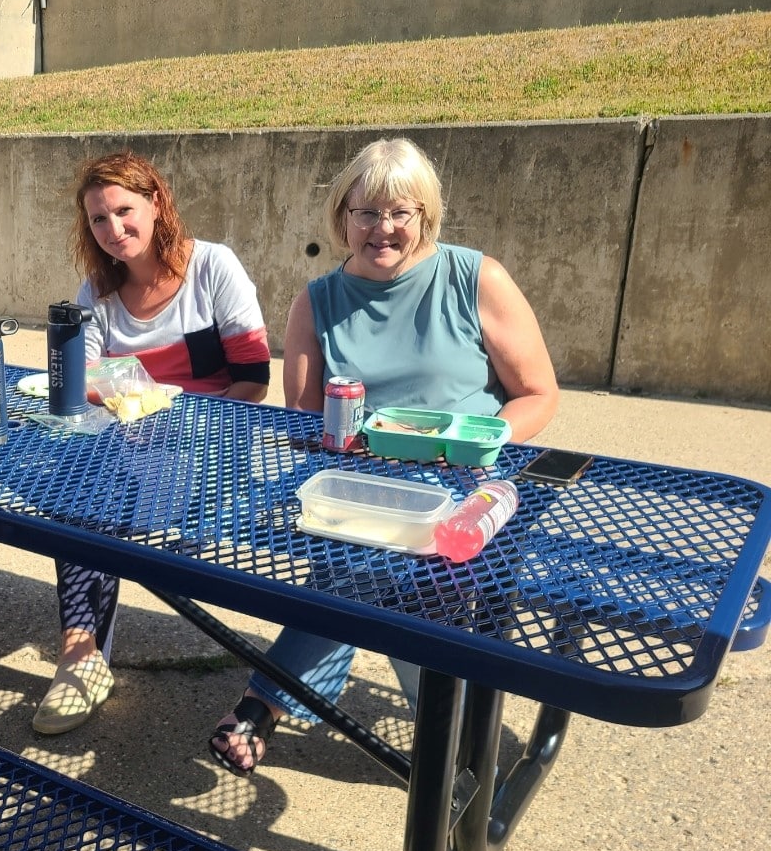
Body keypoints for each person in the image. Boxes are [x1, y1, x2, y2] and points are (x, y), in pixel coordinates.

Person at [207, 136, 559, 777]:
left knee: (383, 571)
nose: (383, 228)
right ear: (342, 217)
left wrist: (478, 443)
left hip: (468, 483)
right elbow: (304, 423)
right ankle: (443, 731)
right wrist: (347, 448)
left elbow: (538, 394)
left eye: (402, 212)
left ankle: (268, 699)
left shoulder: (476, 277)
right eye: (366, 212)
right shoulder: (316, 301)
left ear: (426, 216)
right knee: (377, 561)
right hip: (359, 487)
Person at [33, 150, 272, 735]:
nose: (114, 230)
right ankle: (80, 653)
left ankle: (84, 653)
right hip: (127, 446)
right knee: (69, 487)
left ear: (157, 202)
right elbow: (78, 376)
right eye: (98, 220)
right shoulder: (99, 291)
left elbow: (254, 380)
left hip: (211, 450)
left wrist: (174, 415)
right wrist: (129, 402)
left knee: (89, 503)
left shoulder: (213, 268)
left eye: (124, 211)